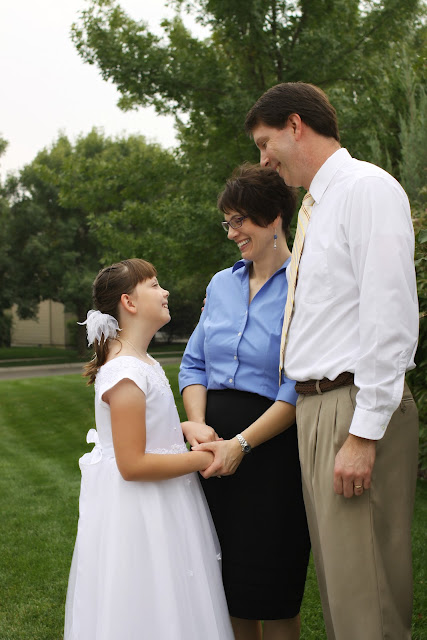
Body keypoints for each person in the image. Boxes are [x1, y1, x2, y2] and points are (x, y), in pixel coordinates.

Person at [244, 82, 419, 640]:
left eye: (265, 142)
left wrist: (364, 434)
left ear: (296, 125)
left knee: (368, 596)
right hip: (317, 408)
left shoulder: (366, 189)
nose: (263, 160)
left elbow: (389, 317)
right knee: (344, 589)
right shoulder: (318, 206)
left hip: (353, 407)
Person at [64, 258, 234, 640]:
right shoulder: (125, 372)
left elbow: (144, 430)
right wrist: (205, 457)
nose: (165, 291)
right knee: (151, 601)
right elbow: (132, 463)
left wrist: (184, 427)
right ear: (129, 302)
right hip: (142, 512)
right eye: (154, 285)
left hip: (165, 501)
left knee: (177, 600)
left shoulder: (141, 361)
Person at [179, 164, 311, 640]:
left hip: (271, 453)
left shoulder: (306, 284)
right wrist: (198, 426)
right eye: (228, 222)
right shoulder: (220, 284)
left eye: (240, 221)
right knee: (227, 588)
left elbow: (297, 384)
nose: (232, 233)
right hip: (211, 453)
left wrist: (242, 445)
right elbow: (193, 364)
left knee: (273, 590)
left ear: (274, 218)